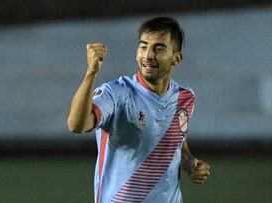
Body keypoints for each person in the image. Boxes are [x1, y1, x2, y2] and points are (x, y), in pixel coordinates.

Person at [67, 17, 210, 203]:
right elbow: (76, 125)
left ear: (177, 58)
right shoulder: (117, 93)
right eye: (143, 47)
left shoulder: (185, 98)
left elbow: (175, 141)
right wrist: (91, 73)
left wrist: (189, 162)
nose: (148, 55)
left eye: (159, 49)